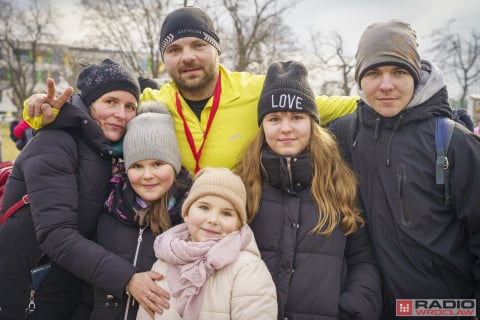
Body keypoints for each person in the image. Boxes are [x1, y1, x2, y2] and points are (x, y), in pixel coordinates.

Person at [24, 6, 358, 176]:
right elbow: (95, 114)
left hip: (243, 230)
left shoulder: (259, 90)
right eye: (175, 50)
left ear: (216, 50)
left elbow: (339, 106)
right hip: (173, 229)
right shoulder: (152, 103)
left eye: (198, 45)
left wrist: (401, 97)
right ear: (165, 59)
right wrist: (35, 110)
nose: (187, 57)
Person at [330, 20, 480, 319]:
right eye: (373, 73)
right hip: (368, 309)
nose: (386, 85)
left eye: (398, 72)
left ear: (416, 75)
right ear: (360, 79)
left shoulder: (453, 143)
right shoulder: (343, 135)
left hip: (443, 311)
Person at [0, 59, 167, 320]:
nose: (121, 114)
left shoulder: (110, 152)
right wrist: (128, 278)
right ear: (89, 103)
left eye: (129, 106)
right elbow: (57, 234)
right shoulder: (55, 143)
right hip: (27, 290)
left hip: (67, 286)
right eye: (110, 102)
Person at [233, 61, 382, 319]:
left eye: (297, 117)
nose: (286, 128)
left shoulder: (340, 184)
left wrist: (350, 311)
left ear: (313, 123)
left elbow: (363, 262)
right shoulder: (243, 185)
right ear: (263, 125)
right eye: (274, 118)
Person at [89, 101, 192, 319]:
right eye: (137, 166)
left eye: (157, 164)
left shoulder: (190, 220)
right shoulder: (109, 211)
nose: (147, 175)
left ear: (174, 165)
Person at [136, 167, 278, 320]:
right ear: (186, 213)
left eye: (226, 213)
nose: (213, 219)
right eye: (204, 207)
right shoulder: (164, 262)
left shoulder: (248, 268)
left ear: (239, 224)